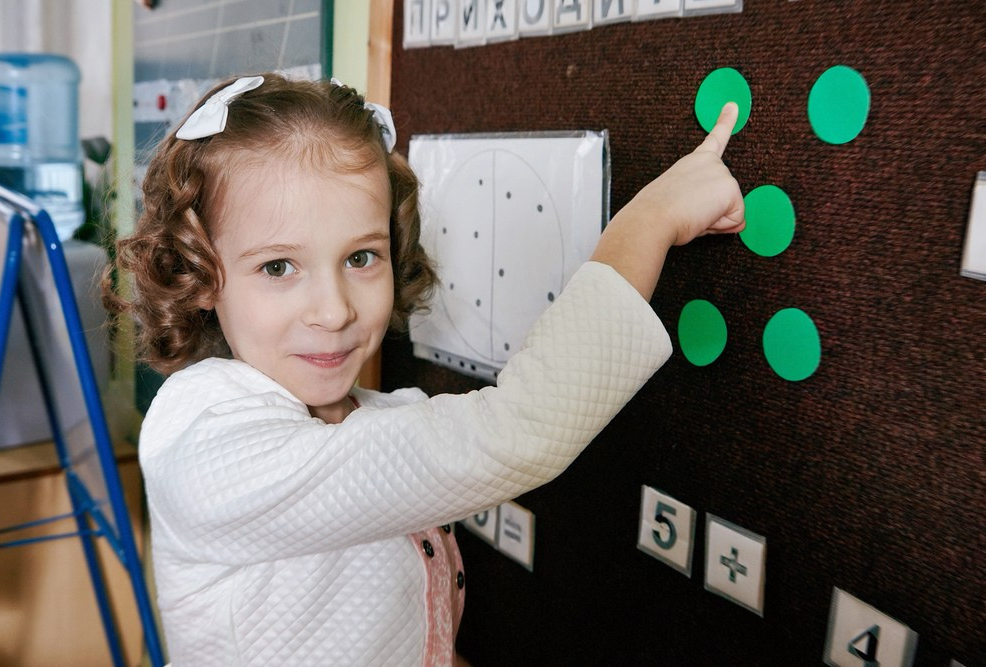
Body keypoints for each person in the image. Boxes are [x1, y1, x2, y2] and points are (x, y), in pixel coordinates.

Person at [105, 72, 744, 666]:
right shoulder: (205, 442)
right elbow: (516, 431)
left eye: (361, 257)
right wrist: (649, 221)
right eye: (278, 267)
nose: (333, 310)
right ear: (200, 274)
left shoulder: (377, 415)